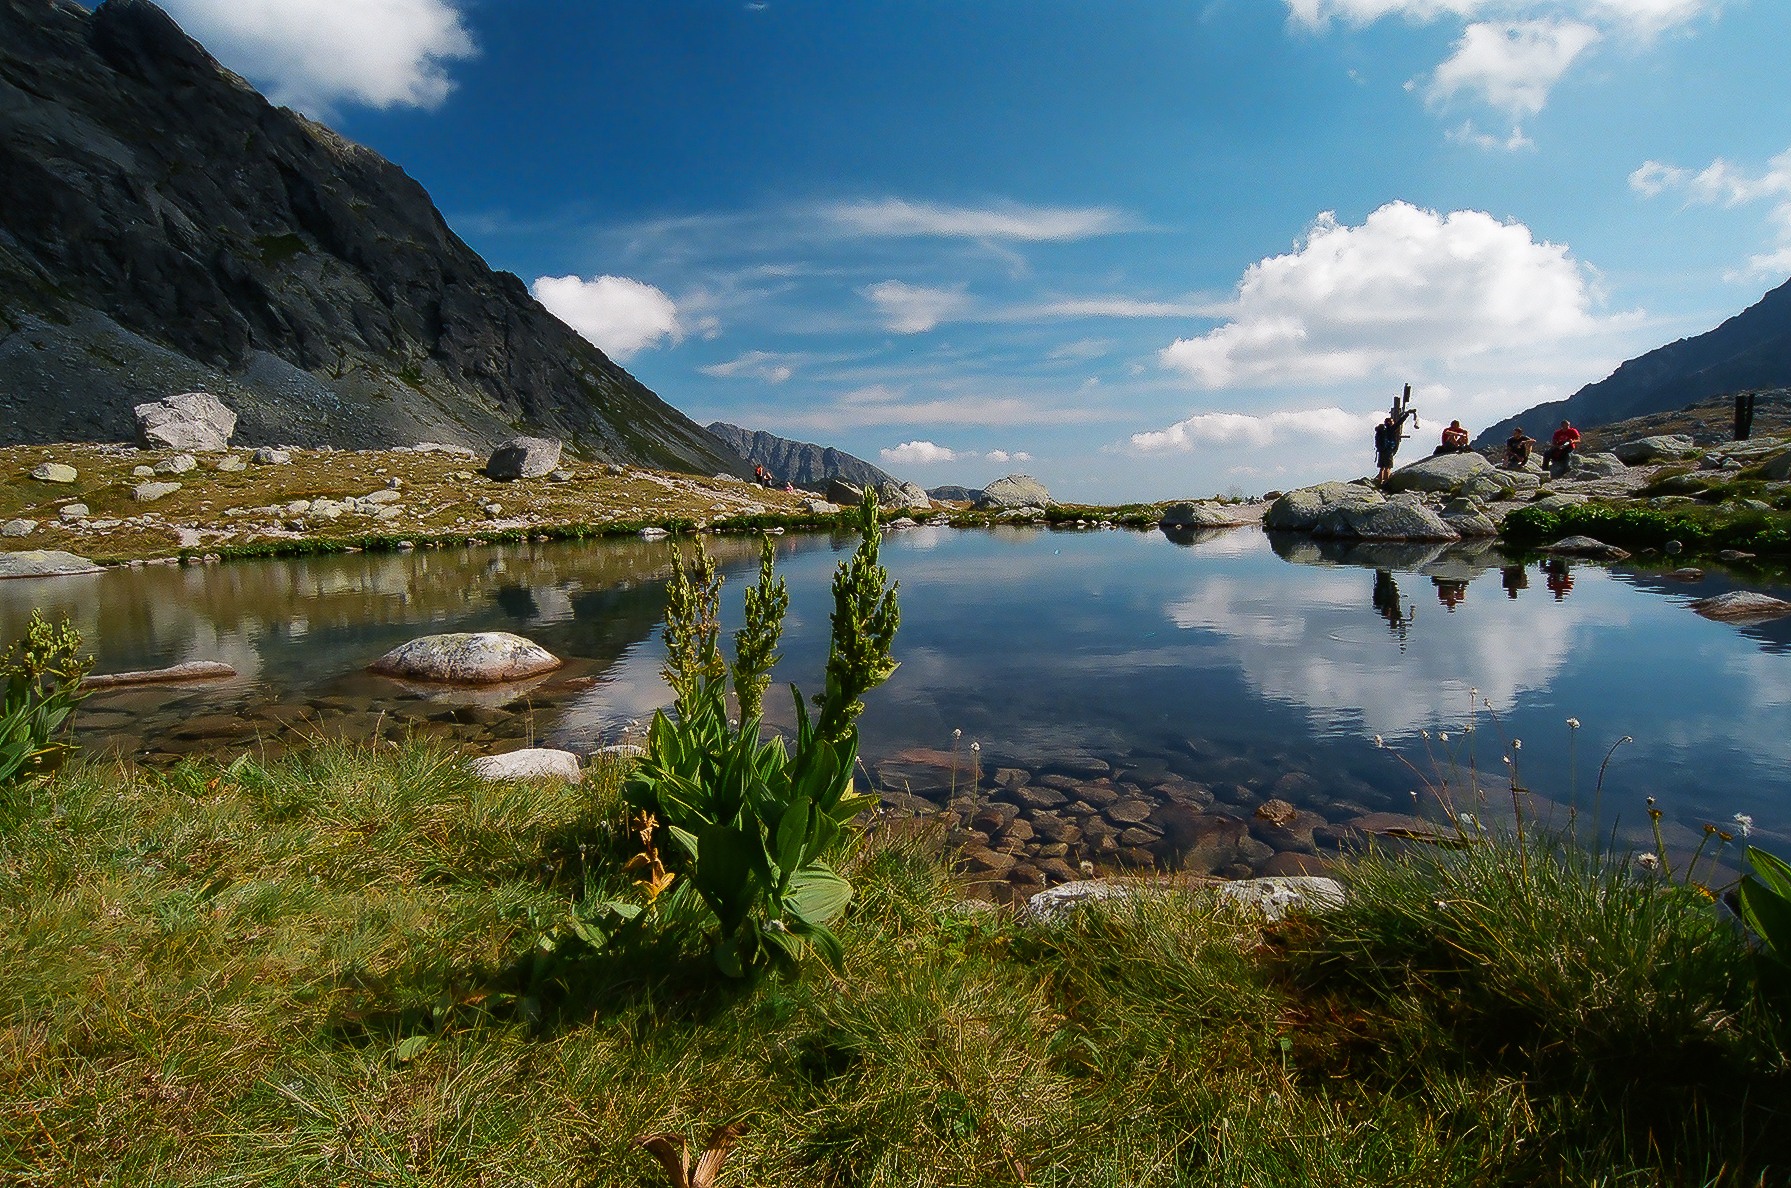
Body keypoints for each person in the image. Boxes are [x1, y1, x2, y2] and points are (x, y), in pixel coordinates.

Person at [1374, 415, 1401, 485]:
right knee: (1388, 467)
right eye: (1392, 421)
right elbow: (1399, 422)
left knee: (1382, 467)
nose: (1393, 422)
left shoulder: (1380, 431)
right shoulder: (1390, 429)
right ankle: (1386, 482)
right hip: (1388, 450)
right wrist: (1407, 414)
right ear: (1389, 422)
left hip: (1381, 451)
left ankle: (1380, 481)